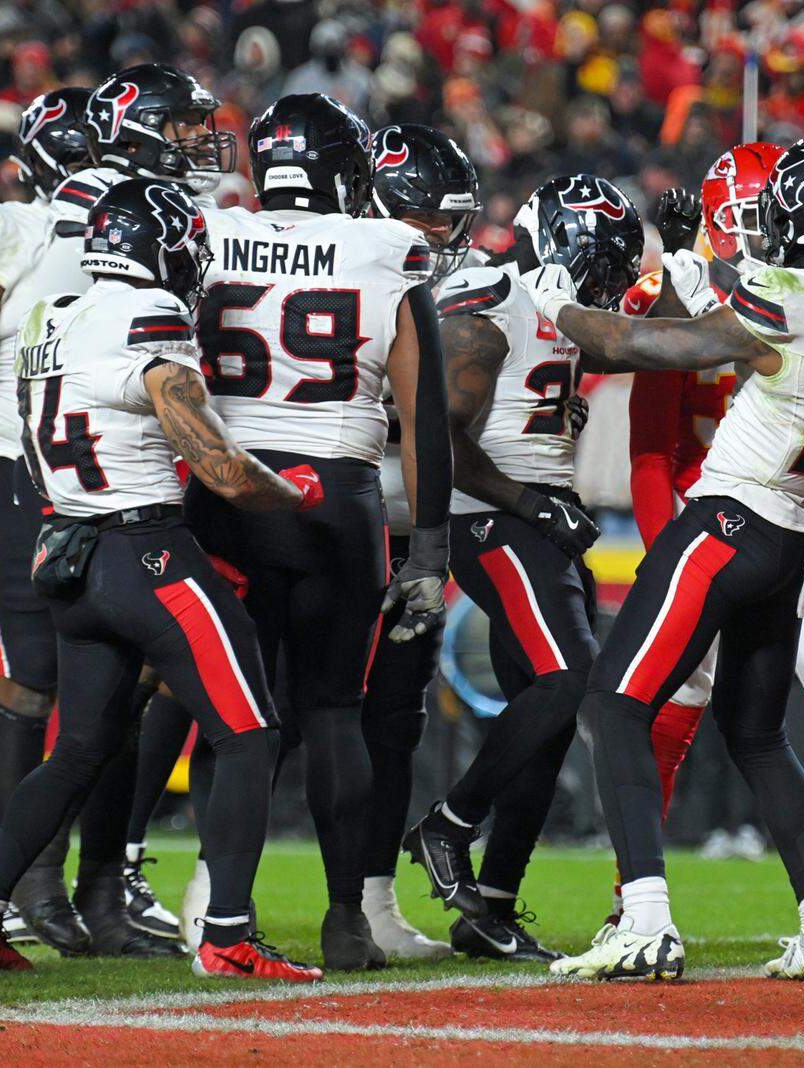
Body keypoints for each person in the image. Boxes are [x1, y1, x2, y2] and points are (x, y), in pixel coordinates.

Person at [522, 137, 804, 982]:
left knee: (617, 706)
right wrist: (690, 268)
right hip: (796, 538)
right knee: (758, 735)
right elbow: (750, 304)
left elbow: (653, 348)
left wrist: (557, 303)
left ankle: (643, 918)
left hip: (730, 521)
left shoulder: (785, 297)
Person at [0, 177, 324, 983]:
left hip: (71, 558)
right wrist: (299, 497)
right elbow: (217, 466)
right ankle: (227, 933)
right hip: (146, 554)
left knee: (77, 751)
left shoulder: (52, 317)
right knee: (252, 734)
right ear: (161, 245)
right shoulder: (150, 317)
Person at [0, 86, 181, 960]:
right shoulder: (12, 228)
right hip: (25, 477)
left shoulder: (150, 221)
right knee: (32, 688)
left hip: (121, 474)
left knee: (124, 688)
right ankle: (26, 889)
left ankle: (100, 887)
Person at [188, 93, 453, 971]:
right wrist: (432, 546)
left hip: (225, 489)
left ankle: (217, 906)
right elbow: (424, 410)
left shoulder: (212, 230)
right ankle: (347, 920)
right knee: (335, 712)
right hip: (336, 493)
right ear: (349, 169)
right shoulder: (385, 247)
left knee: (235, 717)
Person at [624, 144, 804, 955]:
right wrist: (664, 545)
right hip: (718, 518)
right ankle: (630, 900)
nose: (751, 232)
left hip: (790, 523)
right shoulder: (693, 291)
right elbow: (649, 447)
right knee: (679, 714)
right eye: (737, 218)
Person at [403, 175, 641, 962]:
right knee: (572, 677)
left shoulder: (561, 304)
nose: (610, 280)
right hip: (500, 514)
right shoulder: (494, 293)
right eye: (603, 260)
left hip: (540, 510)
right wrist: (533, 506)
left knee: (541, 720)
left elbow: (648, 338)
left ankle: (490, 907)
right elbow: (439, 436)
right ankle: (450, 824)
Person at [44, 64, 237, 943]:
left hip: (123, 450)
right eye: (188, 121)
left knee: (125, 696)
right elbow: (78, 328)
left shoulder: (142, 197)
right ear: (139, 124)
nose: (203, 135)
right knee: (99, 698)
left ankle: (90, 881)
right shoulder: (101, 197)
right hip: (98, 463)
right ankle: (50, 885)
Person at [362, 123, 482, 960]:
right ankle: (212, 895)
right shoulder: (348, 268)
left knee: (395, 722)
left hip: (410, 528)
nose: (447, 237)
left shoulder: (432, 287)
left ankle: (371, 902)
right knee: (273, 717)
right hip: (331, 518)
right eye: (434, 218)